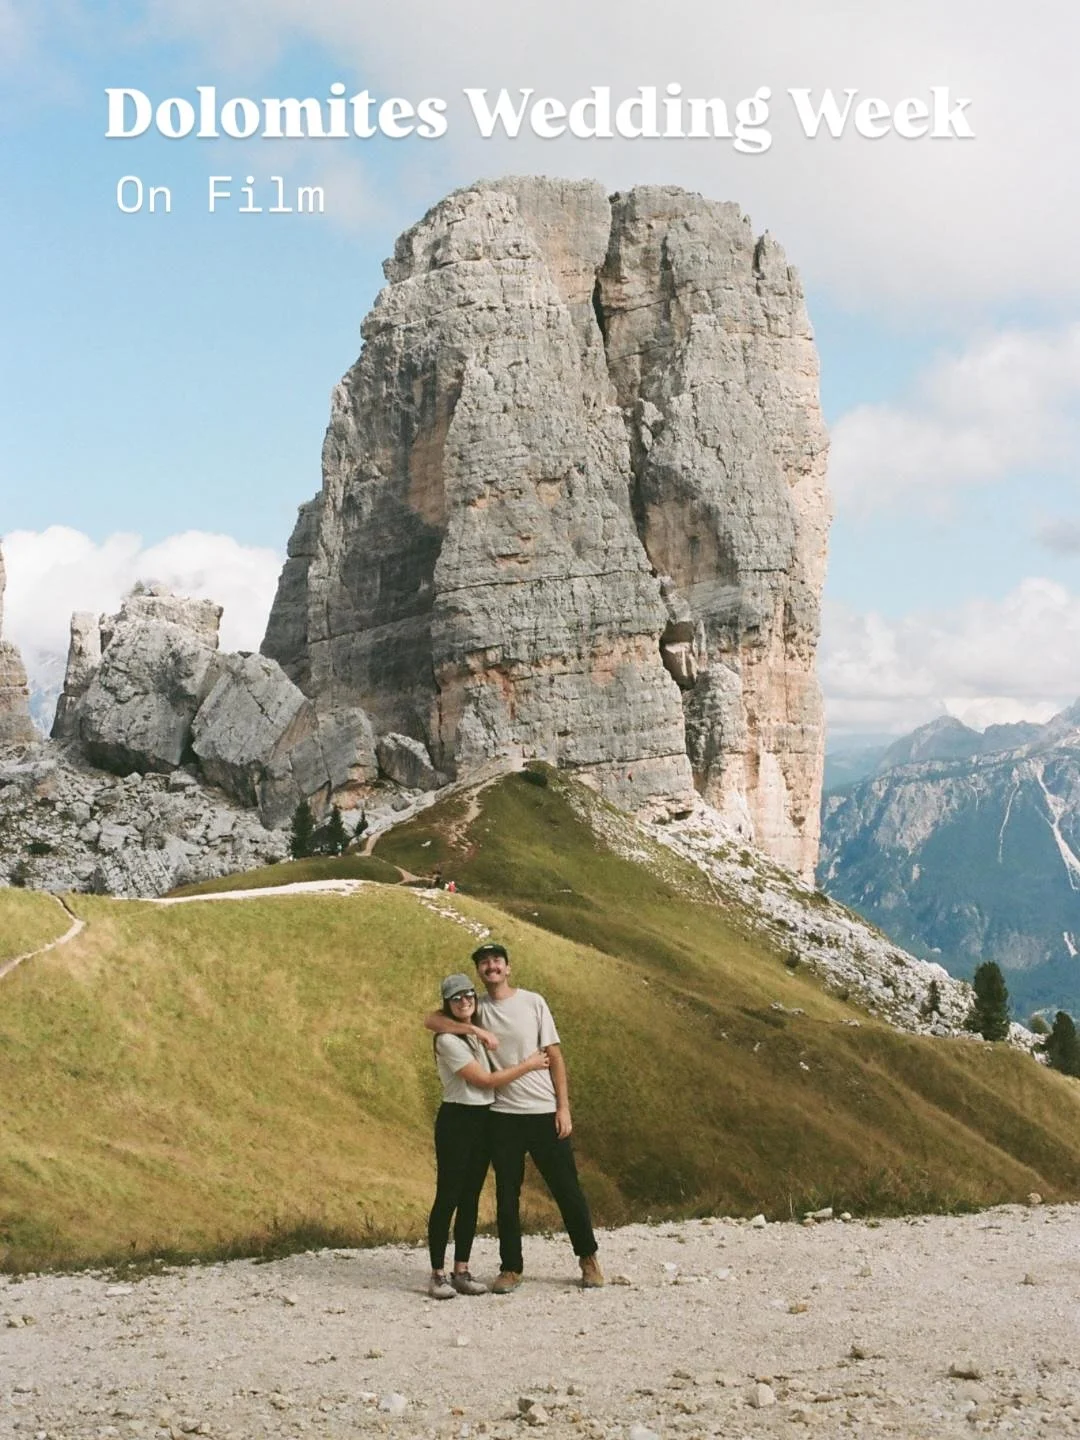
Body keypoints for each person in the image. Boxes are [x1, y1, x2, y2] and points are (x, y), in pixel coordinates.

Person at [426, 943, 604, 1293]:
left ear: (508, 968)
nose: (491, 967)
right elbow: (431, 1021)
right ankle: (510, 1268)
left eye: (497, 961)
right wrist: (477, 1030)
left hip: (542, 1111)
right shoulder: (475, 1006)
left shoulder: (533, 1002)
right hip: (502, 1116)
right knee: (507, 1196)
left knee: (567, 1189)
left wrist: (563, 1106)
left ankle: (589, 1259)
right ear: (479, 971)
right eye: (484, 963)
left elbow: (554, 1055)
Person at [427, 972, 551, 1300]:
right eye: (456, 998)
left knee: (470, 1196)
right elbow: (483, 1081)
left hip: (483, 1120)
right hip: (458, 1120)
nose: (465, 1001)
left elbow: (437, 1018)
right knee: (448, 1195)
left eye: (469, 995)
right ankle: (438, 1274)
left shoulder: (469, 1028)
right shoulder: (448, 1040)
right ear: (447, 1003)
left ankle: (461, 1270)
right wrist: (530, 1064)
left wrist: (473, 1027)